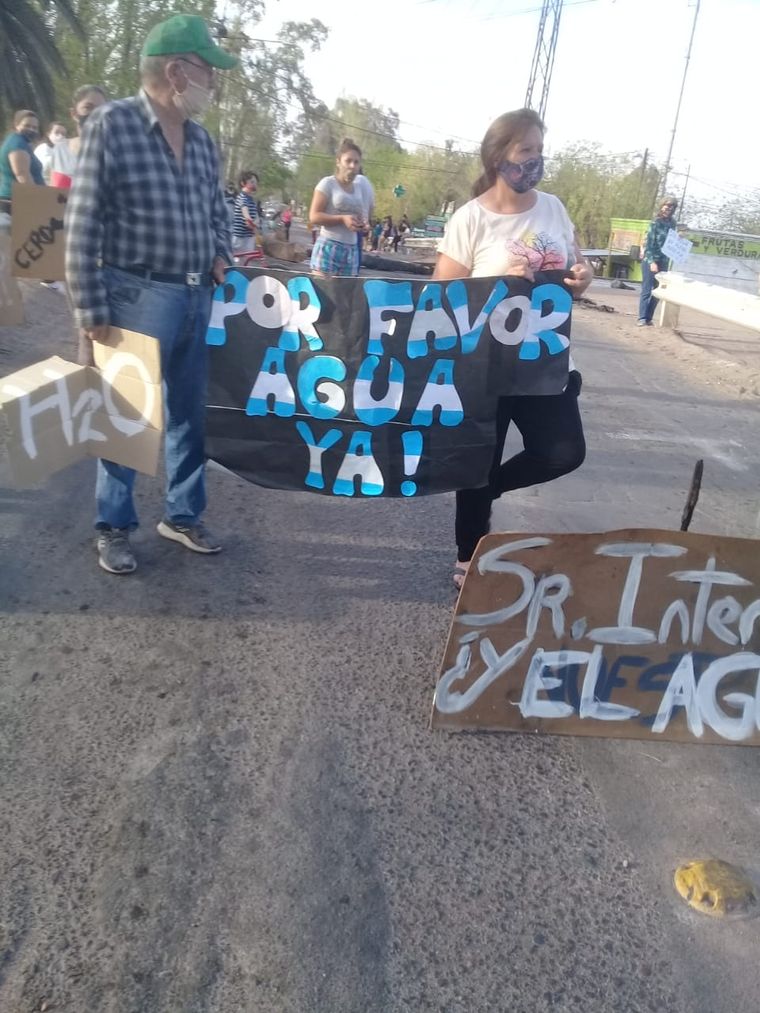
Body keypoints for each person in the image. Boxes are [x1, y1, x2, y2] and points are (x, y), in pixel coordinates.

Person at [65, 13, 238, 576]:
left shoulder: (204, 142)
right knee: (125, 418)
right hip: (134, 293)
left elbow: (219, 214)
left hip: (195, 298)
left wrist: (221, 254)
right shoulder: (112, 125)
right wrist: (90, 308)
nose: (213, 84)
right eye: (208, 72)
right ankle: (113, 526)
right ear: (177, 72)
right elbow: (83, 221)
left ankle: (182, 515)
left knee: (191, 416)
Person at [433, 107, 592, 589]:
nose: (535, 161)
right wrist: (496, 285)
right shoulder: (471, 218)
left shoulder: (554, 209)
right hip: (486, 366)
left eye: (540, 152)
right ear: (499, 154)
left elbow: (577, 271)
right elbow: (442, 295)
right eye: (527, 151)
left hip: (544, 361)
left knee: (563, 452)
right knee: (478, 458)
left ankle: (486, 491)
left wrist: (584, 279)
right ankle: (468, 555)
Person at [308, 138, 368, 277]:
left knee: (345, 297)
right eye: (348, 161)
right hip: (329, 247)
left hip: (352, 250)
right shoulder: (327, 184)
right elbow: (314, 216)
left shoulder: (359, 188)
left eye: (356, 162)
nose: (352, 166)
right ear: (338, 161)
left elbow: (360, 215)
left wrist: (363, 224)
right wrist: (341, 219)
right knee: (323, 295)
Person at [50, 85, 109, 189]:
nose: (95, 113)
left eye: (101, 109)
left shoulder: (113, 149)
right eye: (88, 107)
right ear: (74, 113)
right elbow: (53, 191)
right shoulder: (60, 150)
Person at [638, 197, 678, 326]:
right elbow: (649, 244)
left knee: (659, 290)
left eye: (672, 207)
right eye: (667, 206)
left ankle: (649, 317)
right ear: (662, 206)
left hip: (664, 260)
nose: (669, 209)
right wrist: (652, 262)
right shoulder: (655, 223)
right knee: (647, 290)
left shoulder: (672, 224)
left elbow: (673, 243)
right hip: (651, 260)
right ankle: (642, 318)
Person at [0, 110, 44, 215]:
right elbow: (22, 174)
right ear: (16, 124)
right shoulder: (17, 143)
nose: (31, 130)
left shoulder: (21, 142)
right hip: (16, 202)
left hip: (18, 201)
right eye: (27, 125)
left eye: (34, 127)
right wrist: (38, 199)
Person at [232, 171, 259, 258]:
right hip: (239, 236)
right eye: (252, 182)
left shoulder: (250, 199)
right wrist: (252, 223)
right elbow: (246, 215)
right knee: (236, 262)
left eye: (255, 182)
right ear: (243, 183)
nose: (255, 184)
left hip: (248, 236)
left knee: (247, 260)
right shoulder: (242, 197)